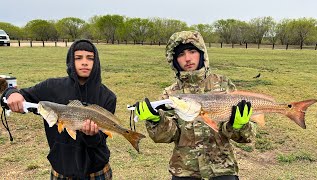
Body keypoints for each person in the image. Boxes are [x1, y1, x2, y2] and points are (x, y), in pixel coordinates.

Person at [135, 31, 255, 180]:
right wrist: (156, 121)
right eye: (180, 54)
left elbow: (245, 138)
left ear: (202, 53)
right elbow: (170, 135)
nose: (187, 58)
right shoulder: (171, 94)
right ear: (173, 60)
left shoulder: (223, 84)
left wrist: (238, 125)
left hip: (222, 170)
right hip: (185, 171)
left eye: (192, 51)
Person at [1, 40, 116, 179]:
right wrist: (11, 94)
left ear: (96, 62)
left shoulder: (108, 97)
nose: (84, 62)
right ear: (70, 61)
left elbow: (101, 139)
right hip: (61, 169)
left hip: (96, 170)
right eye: (78, 58)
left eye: (90, 58)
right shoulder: (50, 87)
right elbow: (22, 95)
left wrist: (91, 135)